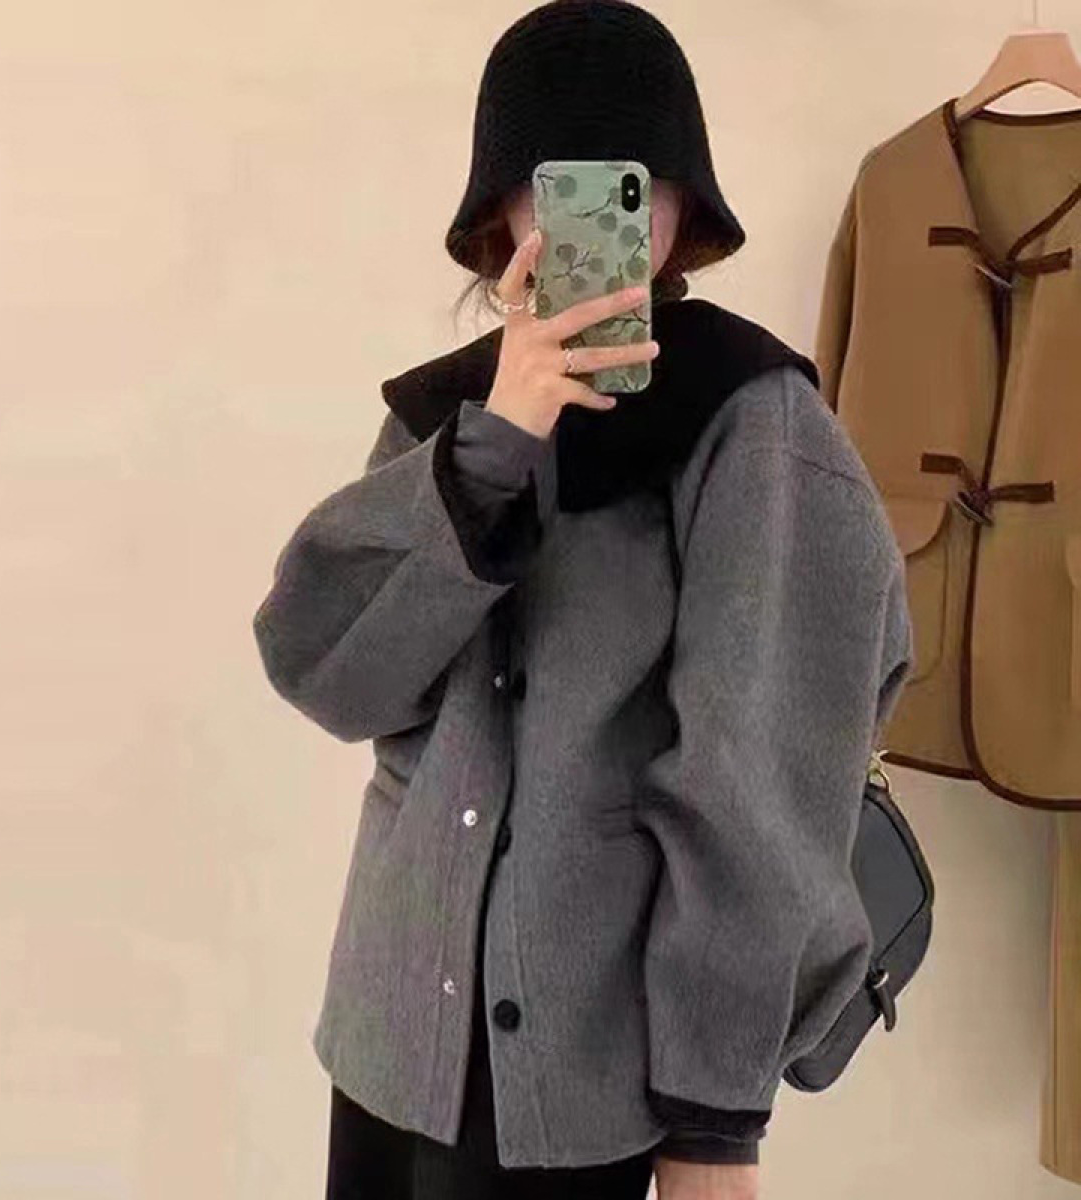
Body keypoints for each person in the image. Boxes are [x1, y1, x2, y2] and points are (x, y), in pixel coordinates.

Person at [251, 3, 914, 1199]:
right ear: (501, 212)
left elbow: (762, 781)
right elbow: (327, 670)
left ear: (684, 207)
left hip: (592, 1083)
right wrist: (493, 447)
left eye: (634, 182)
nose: (601, 219)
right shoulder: (445, 419)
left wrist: (715, 1123)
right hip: (391, 1048)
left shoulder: (755, 424)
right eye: (558, 184)